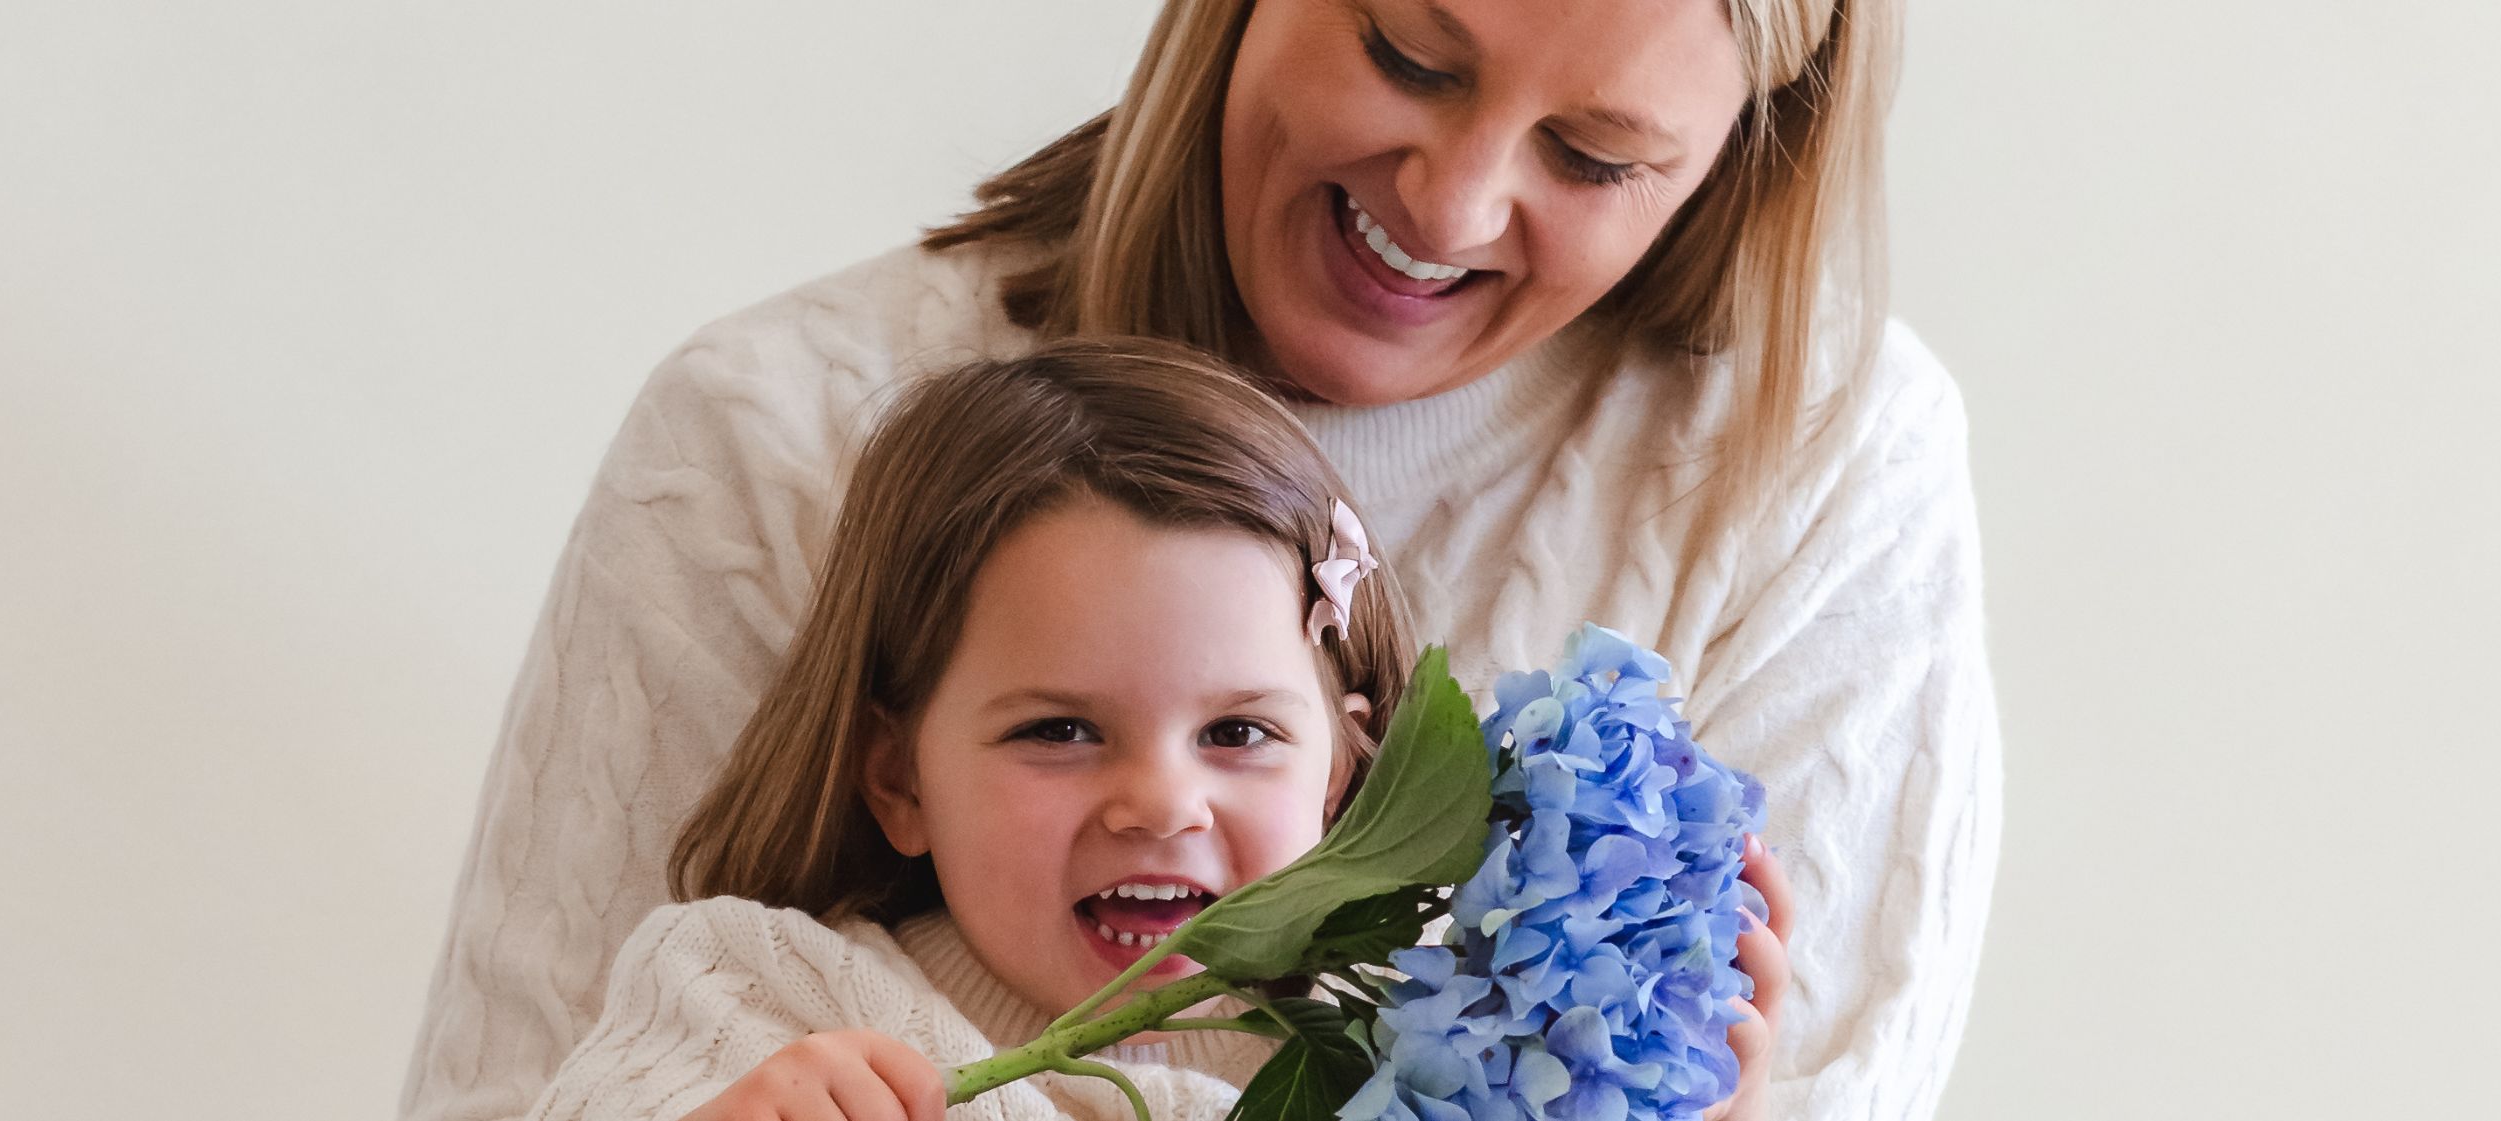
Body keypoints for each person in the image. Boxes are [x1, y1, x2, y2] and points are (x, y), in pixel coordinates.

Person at [403, 2, 1998, 1119]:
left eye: (1591, 155)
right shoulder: (768, 974)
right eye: (1406, 51)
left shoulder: (1818, 471)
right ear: (887, 769)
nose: (1449, 201)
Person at [518, 340, 1792, 1121]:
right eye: (1061, 728)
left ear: (1349, 766)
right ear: (898, 775)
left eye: (1237, 731)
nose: (1156, 798)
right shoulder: (755, 995)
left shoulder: (1406, 1068)